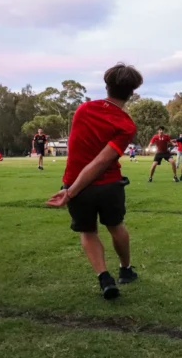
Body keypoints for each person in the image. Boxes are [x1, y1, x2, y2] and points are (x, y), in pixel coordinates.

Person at [46, 63, 143, 300]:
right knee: (116, 226)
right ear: (132, 93)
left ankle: (104, 278)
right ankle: (125, 270)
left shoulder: (83, 109)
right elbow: (101, 162)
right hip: (109, 186)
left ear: (106, 85)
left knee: (88, 231)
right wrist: (71, 192)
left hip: (76, 185)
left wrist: (71, 190)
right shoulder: (126, 125)